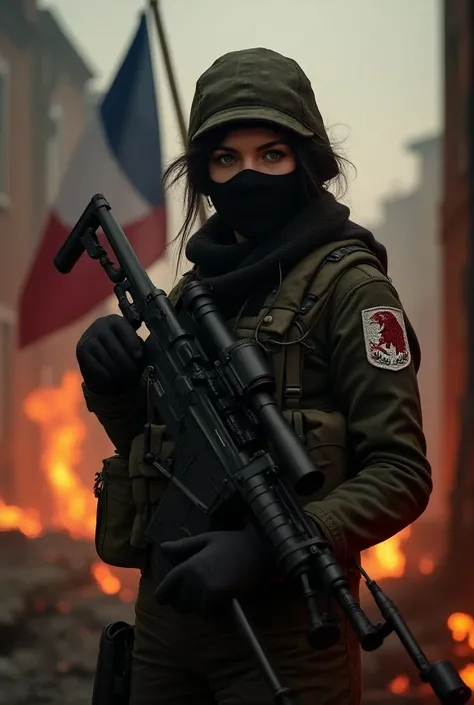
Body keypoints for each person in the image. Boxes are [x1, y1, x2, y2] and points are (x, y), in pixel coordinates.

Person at [77, 48, 432, 705]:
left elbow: (401, 471)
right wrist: (112, 382)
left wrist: (269, 548)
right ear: (206, 175)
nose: (248, 174)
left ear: (308, 162)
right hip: (166, 619)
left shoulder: (352, 288)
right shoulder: (189, 297)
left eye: (271, 153)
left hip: (289, 630)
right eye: (225, 158)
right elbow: (151, 445)